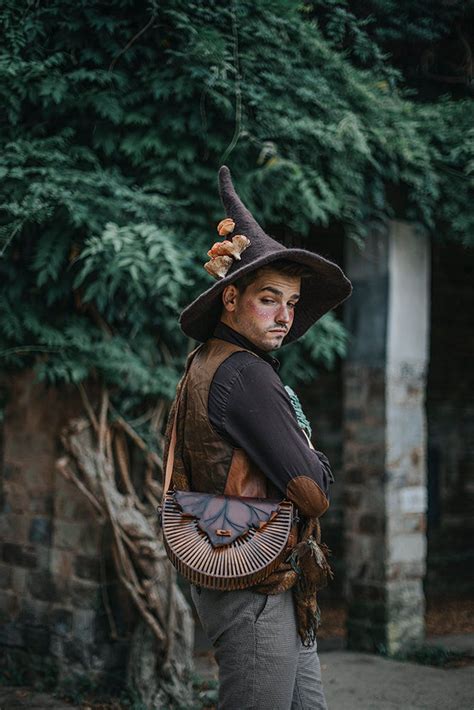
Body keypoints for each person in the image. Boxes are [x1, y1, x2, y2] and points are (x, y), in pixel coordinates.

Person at [164, 166, 352, 709]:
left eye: (292, 304)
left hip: (265, 576)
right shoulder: (245, 373)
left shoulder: (207, 360)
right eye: (270, 299)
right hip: (256, 585)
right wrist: (314, 457)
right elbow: (313, 491)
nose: (285, 317)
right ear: (230, 299)